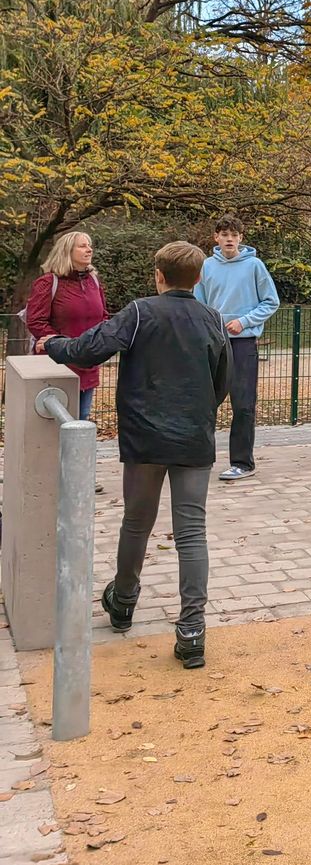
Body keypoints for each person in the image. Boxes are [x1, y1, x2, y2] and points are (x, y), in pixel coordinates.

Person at [40, 242, 230, 669]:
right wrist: (198, 412)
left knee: (137, 521)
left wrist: (51, 342)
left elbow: (88, 349)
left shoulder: (140, 312)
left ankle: (123, 600)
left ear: (158, 275)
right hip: (194, 438)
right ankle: (192, 628)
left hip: (145, 437)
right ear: (198, 279)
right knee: (191, 532)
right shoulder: (213, 319)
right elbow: (223, 381)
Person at [194, 214, 280, 481]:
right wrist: (211, 327)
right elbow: (199, 304)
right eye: (224, 234)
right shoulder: (206, 267)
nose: (229, 239)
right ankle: (200, 458)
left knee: (243, 404)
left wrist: (244, 322)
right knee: (205, 402)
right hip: (214, 343)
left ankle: (242, 462)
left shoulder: (254, 266)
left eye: (234, 235)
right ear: (216, 238)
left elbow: (270, 301)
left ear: (241, 238)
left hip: (243, 343)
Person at [24, 231, 109, 420]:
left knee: (81, 418)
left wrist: (98, 344)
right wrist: (60, 343)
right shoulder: (48, 283)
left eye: (89, 245)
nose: (89, 249)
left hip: (88, 363)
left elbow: (102, 316)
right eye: (83, 246)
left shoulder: (93, 281)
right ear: (66, 251)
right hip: (58, 366)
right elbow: (36, 321)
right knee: (56, 422)